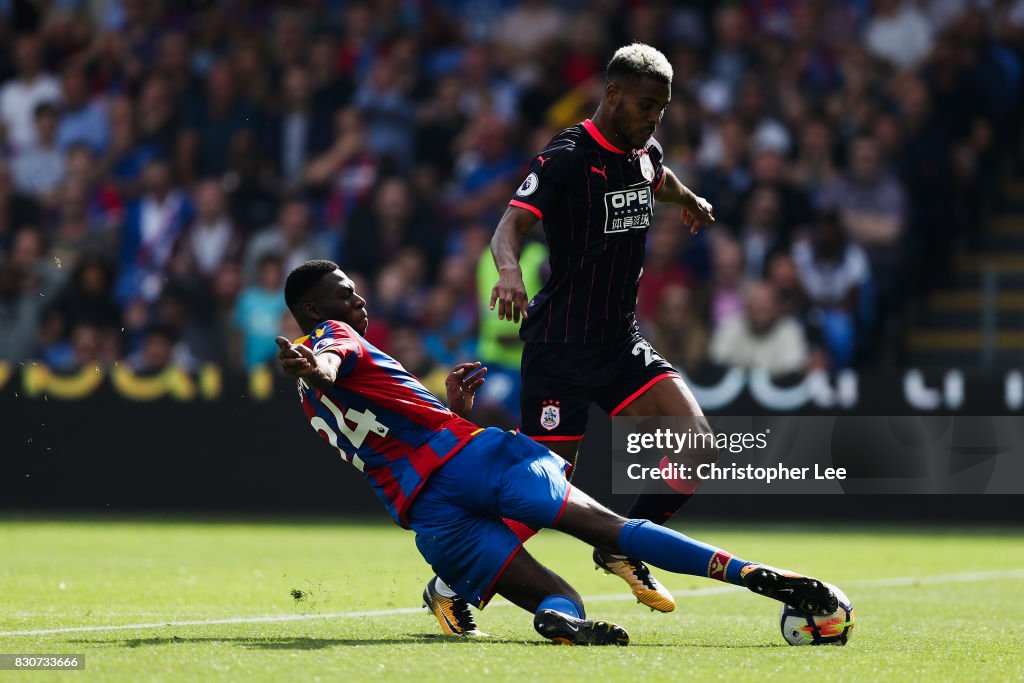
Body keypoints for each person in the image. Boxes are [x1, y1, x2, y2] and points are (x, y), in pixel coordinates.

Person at [275, 260, 840, 645]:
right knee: (611, 528)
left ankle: (560, 623)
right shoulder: (330, 339)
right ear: (310, 310)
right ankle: (754, 575)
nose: (357, 299)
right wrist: (318, 361)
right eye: (343, 294)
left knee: (561, 597)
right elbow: (330, 357)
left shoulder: (309, 398)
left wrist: (452, 409)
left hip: (430, 517)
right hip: (475, 464)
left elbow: (385, 435)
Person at [488, 43, 716, 611]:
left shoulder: (646, 151)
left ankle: (622, 546)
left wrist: (689, 199)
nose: (653, 118)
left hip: (619, 344)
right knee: (539, 499)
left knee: (699, 444)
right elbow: (509, 227)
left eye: (660, 109)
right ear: (612, 94)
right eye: (644, 105)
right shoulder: (567, 155)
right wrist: (511, 275)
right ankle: (453, 582)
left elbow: (656, 178)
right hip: (561, 348)